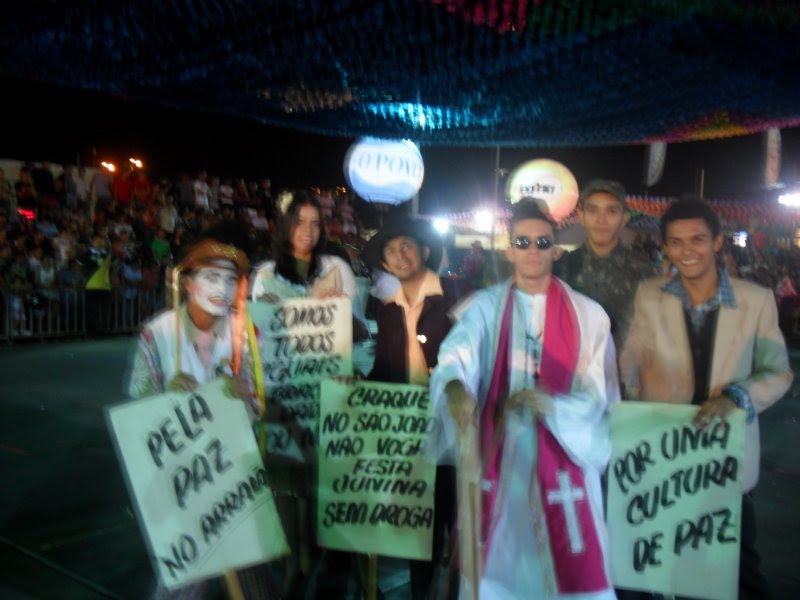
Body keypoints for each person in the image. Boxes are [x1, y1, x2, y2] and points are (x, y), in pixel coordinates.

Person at [429, 198, 619, 599]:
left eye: (542, 242)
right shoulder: (484, 307)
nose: (533, 250)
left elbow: (599, 395)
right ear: (509, 249)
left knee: (567, 563)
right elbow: (455, 356)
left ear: (556, 249)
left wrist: (552, 405)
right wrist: (456, 388)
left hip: (563, 450)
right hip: (501, 452)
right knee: (499, 569)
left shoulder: (589, 315)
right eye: (523, 242)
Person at [620, 198, 793, 600]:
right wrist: (623, 394)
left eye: (697, 239)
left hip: (725, 454)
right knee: (663, 561)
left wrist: (737, 396)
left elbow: (779, 372)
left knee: (736, 570)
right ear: (665, 246)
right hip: (665, 452)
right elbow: (631, 356)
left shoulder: (756, 299)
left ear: (717, 242)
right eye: (676, 242)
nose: (687, 250)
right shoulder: (649, 294)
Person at [363, 218, 467, 599]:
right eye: (391, 252)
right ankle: (422, 592)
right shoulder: (388, 310)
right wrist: (357, 387)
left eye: (406, 246)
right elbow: (384, 369)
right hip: (408, 431)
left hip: (453, 427)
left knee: (458, 519)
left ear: (424, 251)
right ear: (385, 264)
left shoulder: (456, 296)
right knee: (418, 522)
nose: (399, 256)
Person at [555, 179, 656, 352]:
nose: (601, 220)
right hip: (574, 363)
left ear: (624, 219)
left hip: (625, 365)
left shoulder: (644, 270)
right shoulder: (562, 267)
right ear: (581, 217)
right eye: (593, 210)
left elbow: (654, 328)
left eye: (611, 211)